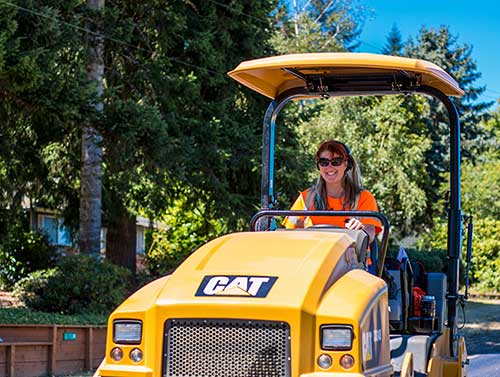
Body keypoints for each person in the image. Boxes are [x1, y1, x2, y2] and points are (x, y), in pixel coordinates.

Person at [283, 140, 381, 242]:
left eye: (336, 162)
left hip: (350, 257)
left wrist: (360, 230)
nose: (329, 167)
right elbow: (289, 234)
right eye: (324, 162)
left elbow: (370, 233)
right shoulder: (307, 198)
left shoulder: (363, 197)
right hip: (314, 256)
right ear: (318, 166)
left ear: (346, 164)